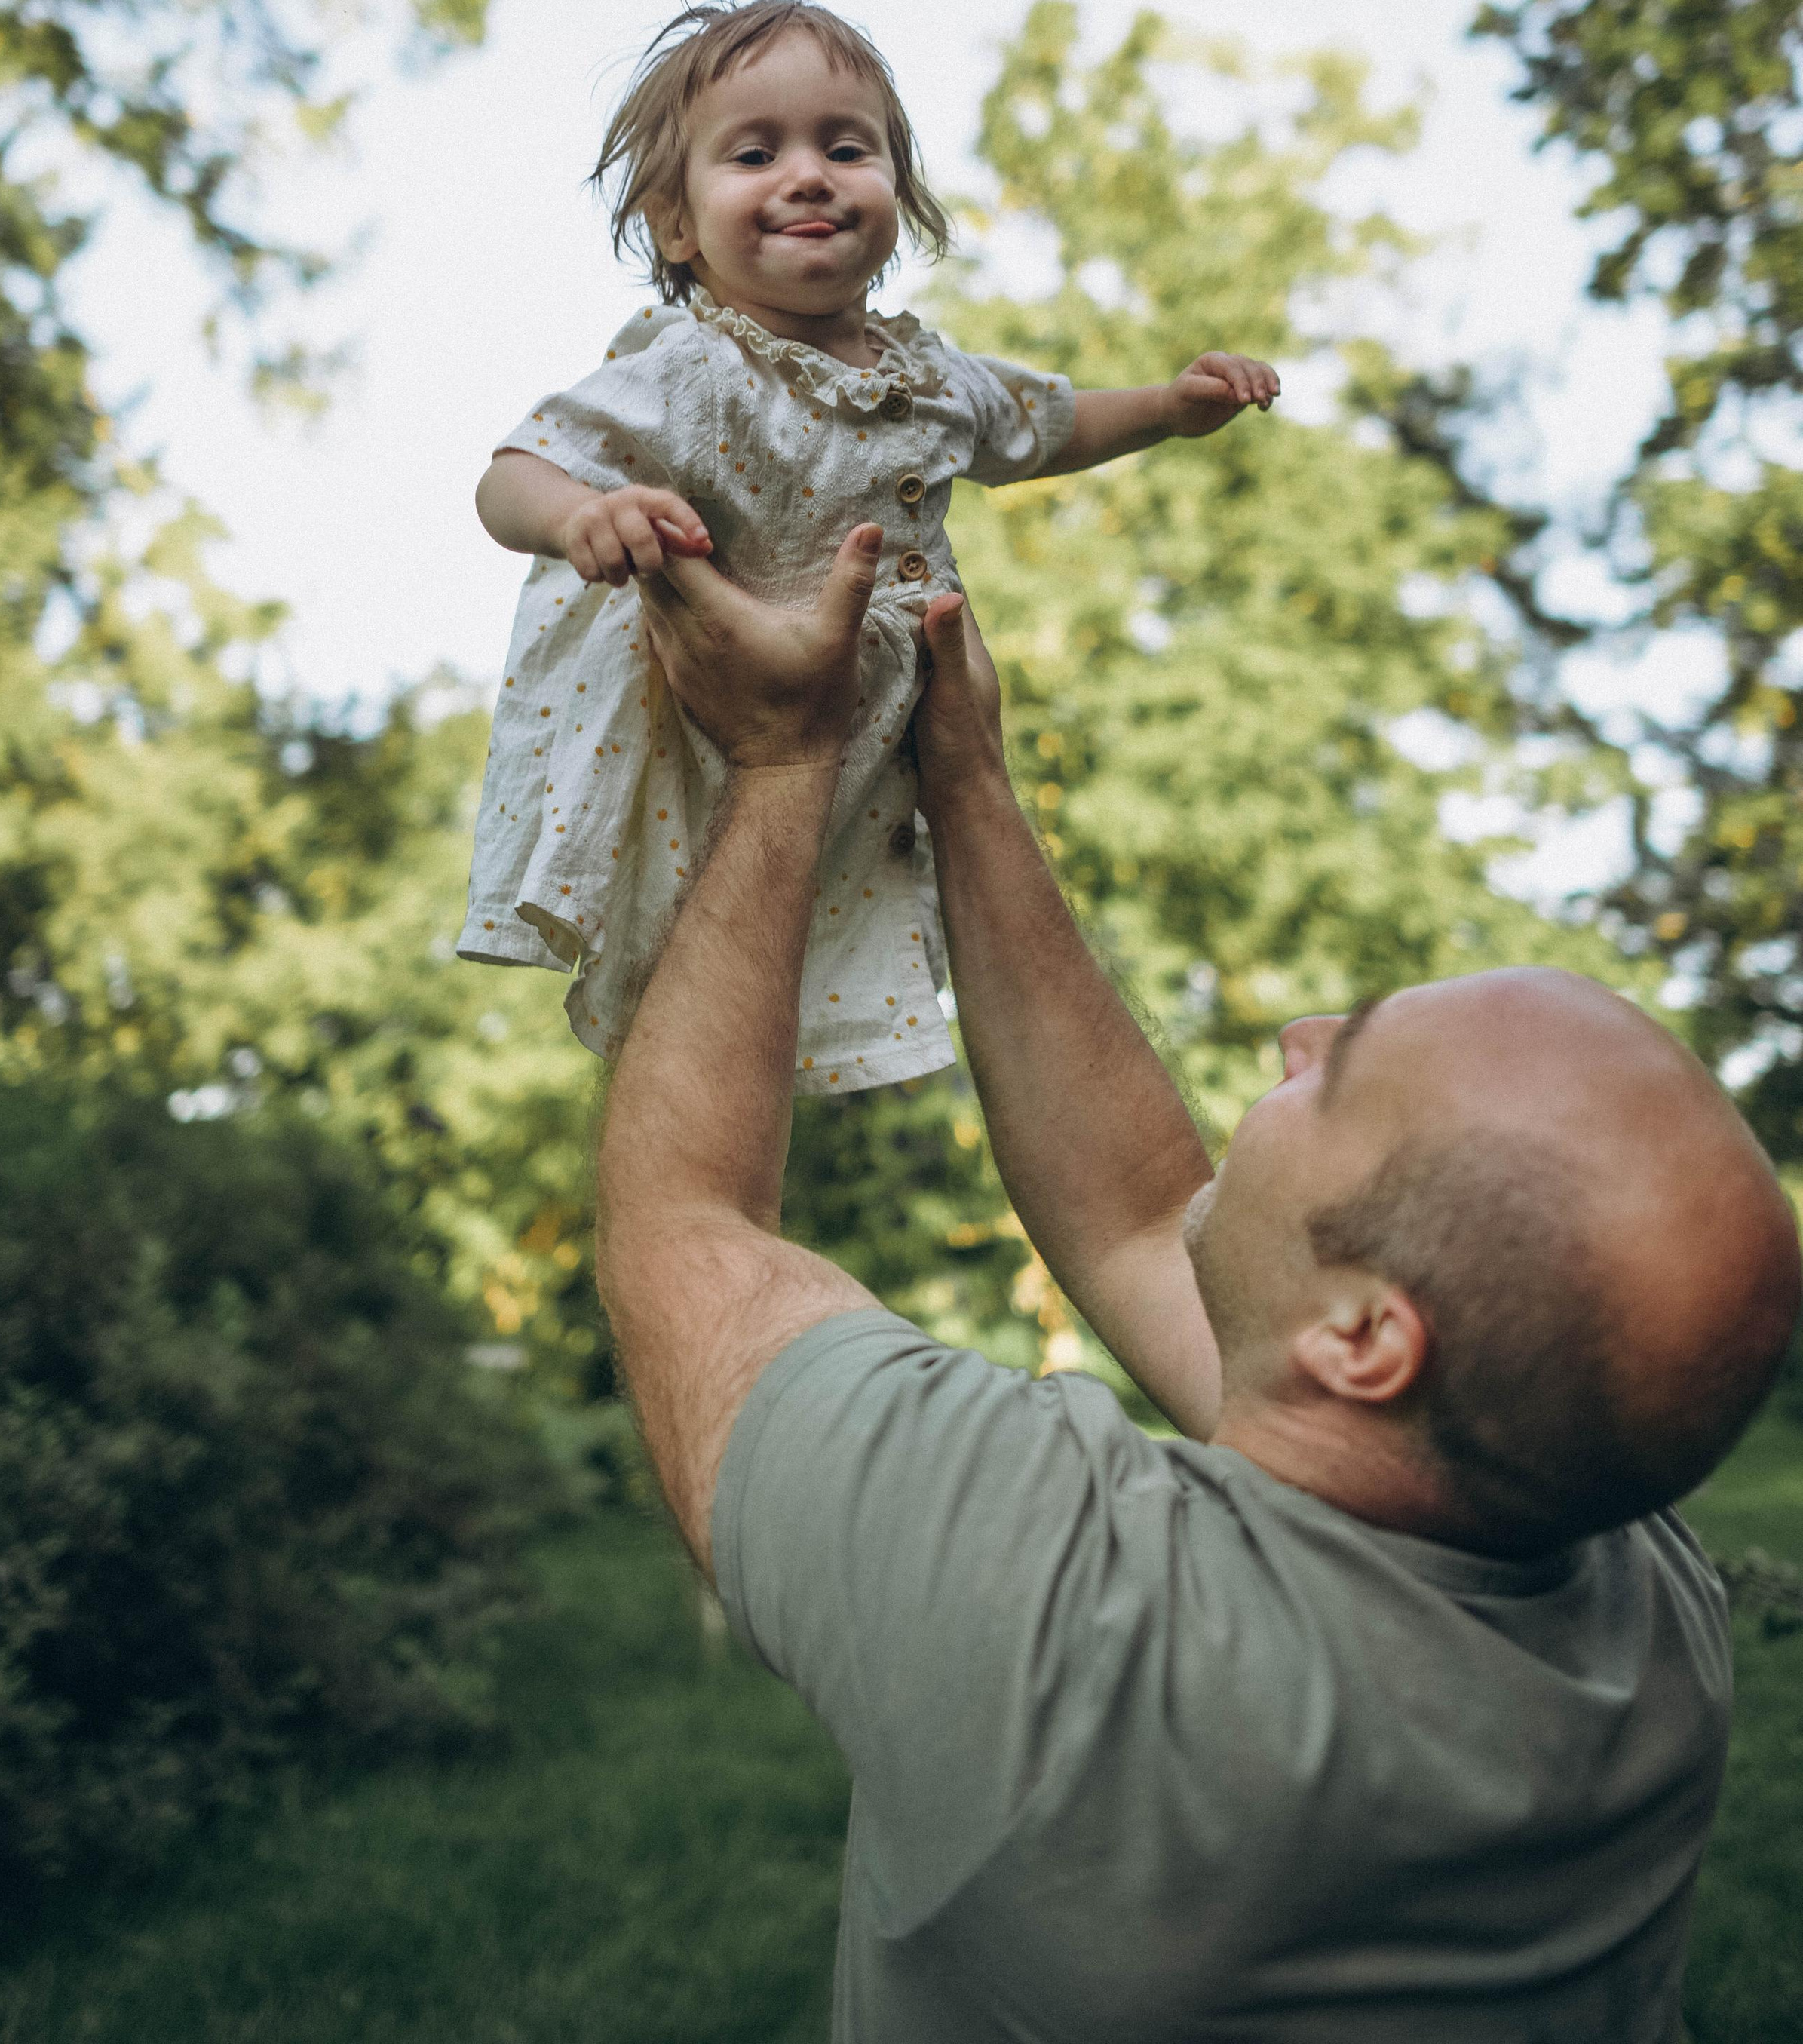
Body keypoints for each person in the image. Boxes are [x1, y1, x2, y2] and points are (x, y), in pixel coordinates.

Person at [593, 525, 1802, 2044]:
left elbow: (686, 1239)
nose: (1295, 1030)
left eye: (1343, 1071)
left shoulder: (1067, 1617)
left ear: (1368, 1341)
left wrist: (780, 767)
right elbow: (1146, 1223)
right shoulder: (1634, 1600)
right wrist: (963, 788)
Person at [458, 0, 1277, 1082]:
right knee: (692, 968)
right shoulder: (695, 372)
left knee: (833, 952)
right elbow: (514, 472)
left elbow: (1047, 425)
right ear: (675, 224)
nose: (808, 173)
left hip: (880, 732)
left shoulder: (931, 377)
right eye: (756, 152)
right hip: (715, 727)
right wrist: (581, 516)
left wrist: (1170, 409)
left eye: (847, 147)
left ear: (896, 188)